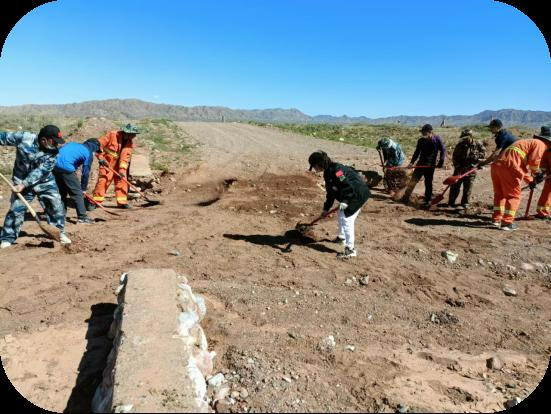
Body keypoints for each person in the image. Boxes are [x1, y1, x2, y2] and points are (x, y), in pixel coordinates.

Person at [0, 125, 71, 248]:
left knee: (55, 205)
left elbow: (41, 171)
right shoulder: (24, 137)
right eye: (54, 141)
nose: (56, 144)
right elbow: (3, 137)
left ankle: (58, 233)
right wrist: (21, 184)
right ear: (44, 140)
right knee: (16, 209)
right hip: (21, 179)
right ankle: (7, 237)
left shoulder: (54, 152)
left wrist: (23, 184)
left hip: (45, 181)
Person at [308, 150, 371, 258]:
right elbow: (330, 193)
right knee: (341, 214)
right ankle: (341, 238)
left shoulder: (338, 172)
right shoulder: (327, 173)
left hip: (357, 194)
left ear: (319, 164)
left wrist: (345, 201)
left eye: (314, 166)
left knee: (346, 219)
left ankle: (350, 250)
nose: (314, 168)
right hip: (350, 195)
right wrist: (326, 209)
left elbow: (348, 187)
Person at [490, 130, 551, 230]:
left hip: (497, 166)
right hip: (509, 166)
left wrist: (530, 181)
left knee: (499, 194)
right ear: (548, 141)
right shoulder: (541, 144)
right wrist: (536, 173)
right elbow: (534, 161)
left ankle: (496, 219)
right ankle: (507, 223)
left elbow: (520, 168)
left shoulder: (526, 142)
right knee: (513, 196)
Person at [91, 123, 140, 209]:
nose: (134, 136)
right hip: (107, 163)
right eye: (133, 134)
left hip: (119, 165)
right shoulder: (112, 135)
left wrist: (122, 170)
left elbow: (125, 158)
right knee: (104, 181)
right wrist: (100, 158)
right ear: (127, 133)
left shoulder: (129, 143)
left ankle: (122, 202)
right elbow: (99, 145)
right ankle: (96, 202)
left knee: (122, 181)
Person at [53, 138, 102, 224]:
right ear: (94, 147)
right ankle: (82, 217)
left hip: (54, 166)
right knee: (77, 193)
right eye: (96, 151)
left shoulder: (72, 144)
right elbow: (85, 173)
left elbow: (60, 151)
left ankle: (60, 216)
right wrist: (83, 188)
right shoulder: (88, 152)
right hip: (66, 167)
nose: (95, 153)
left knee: (62, 193)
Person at [401, 124, 446, 207]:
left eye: (424, 132)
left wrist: (441, 161)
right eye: (422, 132)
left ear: (430, 132)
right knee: (413, 180)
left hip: (430, 166)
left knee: (428, 183)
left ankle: (428, 200)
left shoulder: (437, 140)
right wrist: (412, 162)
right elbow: (417, 152)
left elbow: (443, 150)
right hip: (420, 164)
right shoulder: (421, 141)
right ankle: (406, 197)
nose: (422, 134)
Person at [447, 129, 486, 209]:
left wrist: (476, 158)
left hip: (471, 170)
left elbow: (483, 154)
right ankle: (451, 202)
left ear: (470, 136)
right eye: (463, 138)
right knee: (455, 186)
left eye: (466, 137)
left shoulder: (478, 144)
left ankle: (465, 203)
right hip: (459, 169)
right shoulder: (460, 145)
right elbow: (454, 157)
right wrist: (457, 166)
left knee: (468, 187)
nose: (464, 139)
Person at [534, 125, 551, 220]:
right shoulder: (546, 151)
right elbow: (544, 164)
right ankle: (542, 212)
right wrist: (541, 174)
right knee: (547, 191)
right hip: (549, 176)